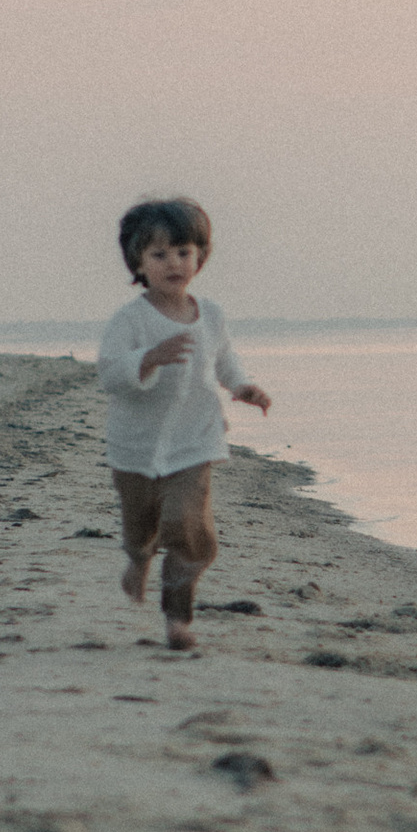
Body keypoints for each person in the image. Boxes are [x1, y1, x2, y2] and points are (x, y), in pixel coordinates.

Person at [96, 197, 271, 652]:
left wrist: (242, 385)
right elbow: (110, 374)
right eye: (158, 254)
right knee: (142, 528)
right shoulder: (131, 319)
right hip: (136, 447)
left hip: (196, 442)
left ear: (200, 255)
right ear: (138, 261)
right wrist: (148, 358)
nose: (174, 262)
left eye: (183, 251)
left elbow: (224, 358)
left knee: (188, 527)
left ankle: (178, 617)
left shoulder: (210, 314)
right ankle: (137, 559)